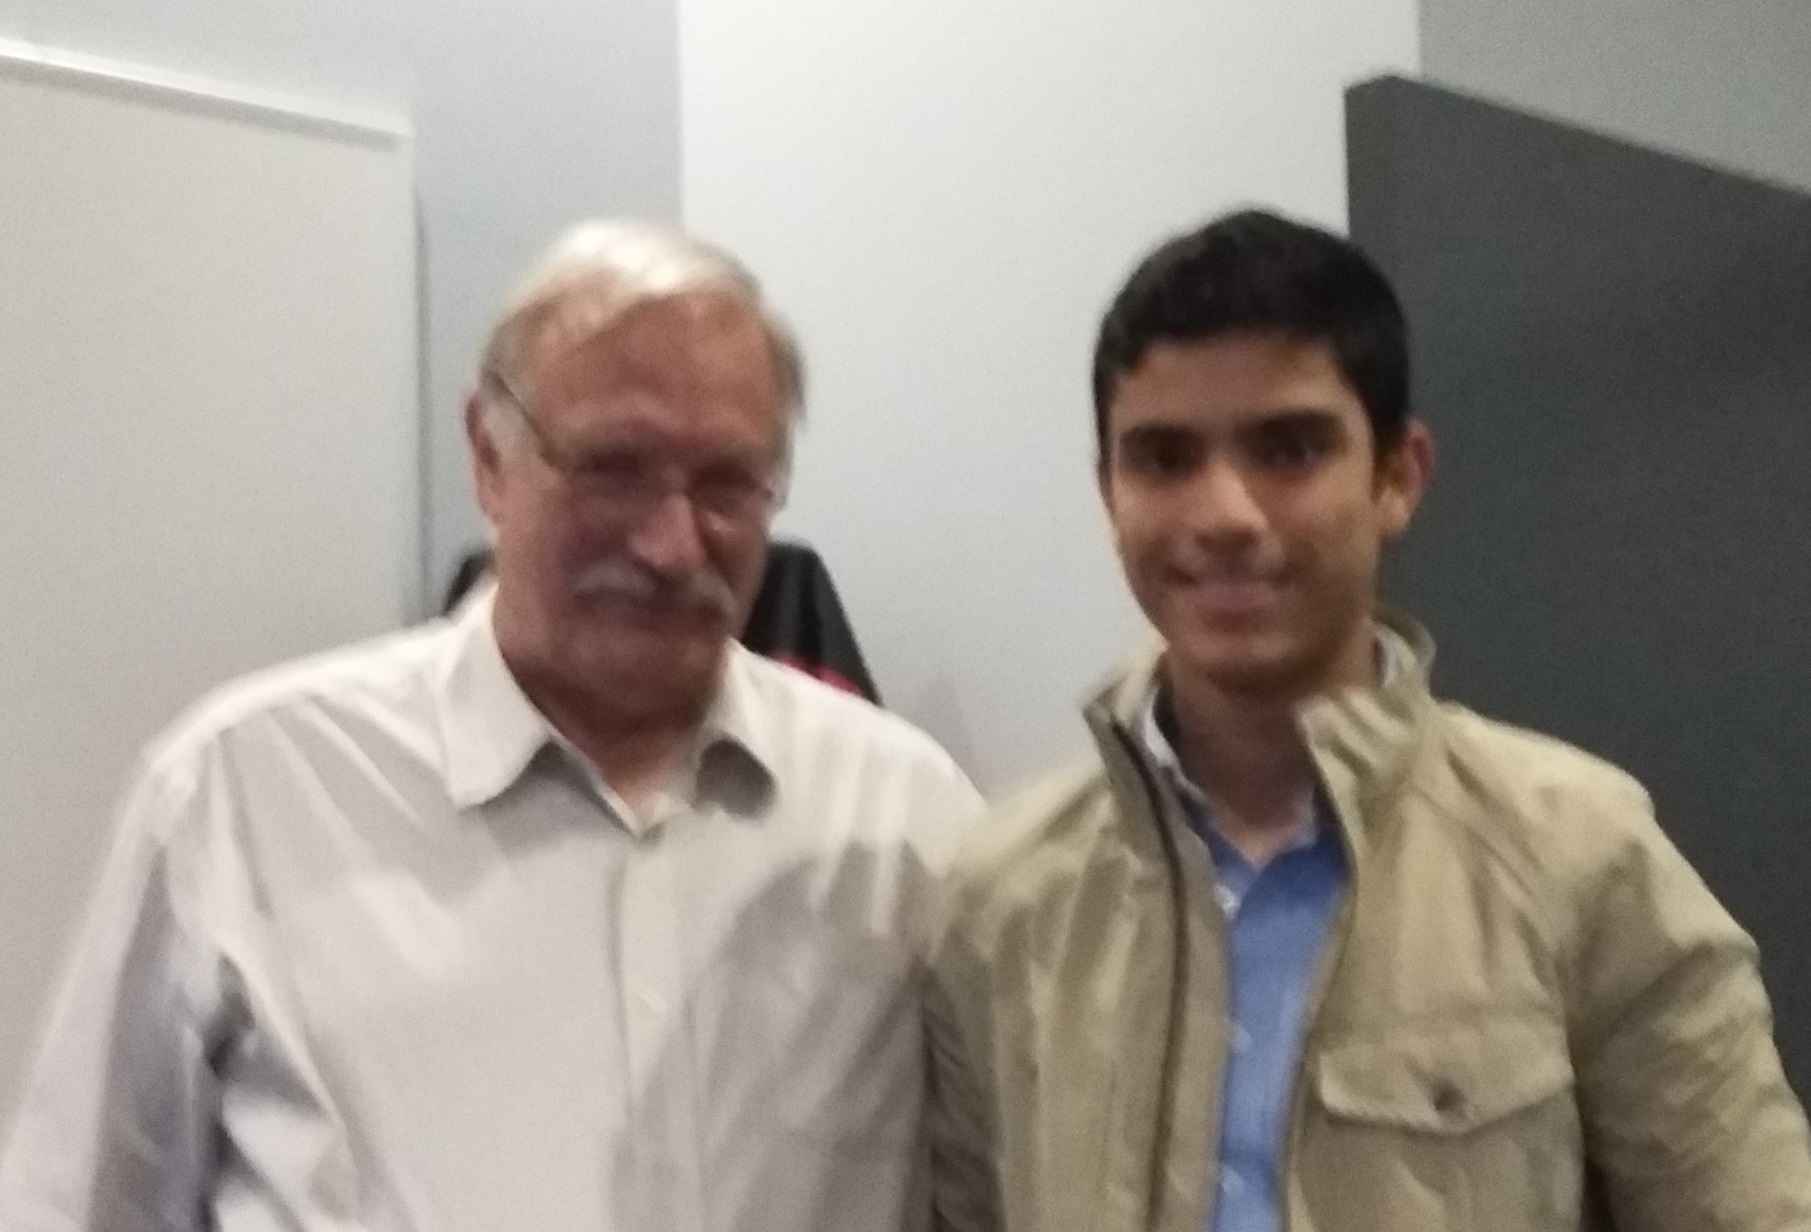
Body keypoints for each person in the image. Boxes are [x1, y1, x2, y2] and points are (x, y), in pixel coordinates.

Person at [0, 220, 981, 1231]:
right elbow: (74, 1203)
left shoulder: (907, 817)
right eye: (613, 467)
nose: (670, 540)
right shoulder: (240, 795)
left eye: (727, 482)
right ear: (488, 457)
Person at [923, 208, 1811, 1231]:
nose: (1223, 513)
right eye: (1162, 459)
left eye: (1287, 449)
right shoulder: (1001, 901)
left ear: (1396, 475)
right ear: (1107, 493)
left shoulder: (1580, 857)